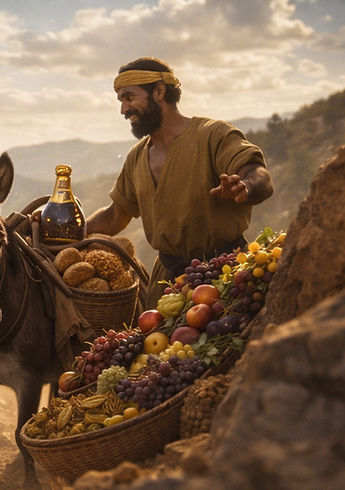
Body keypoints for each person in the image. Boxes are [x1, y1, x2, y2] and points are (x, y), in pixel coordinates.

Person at [86, 57, 274, 309]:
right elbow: (115, 216)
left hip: (226, 275)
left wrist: (246, 186)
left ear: (159, 91)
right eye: (121, 101)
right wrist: (68, 232)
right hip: (165, 282)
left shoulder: (213, 134)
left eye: (129, 97)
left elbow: (258, 173)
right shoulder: (137, 157)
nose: (123, 109)